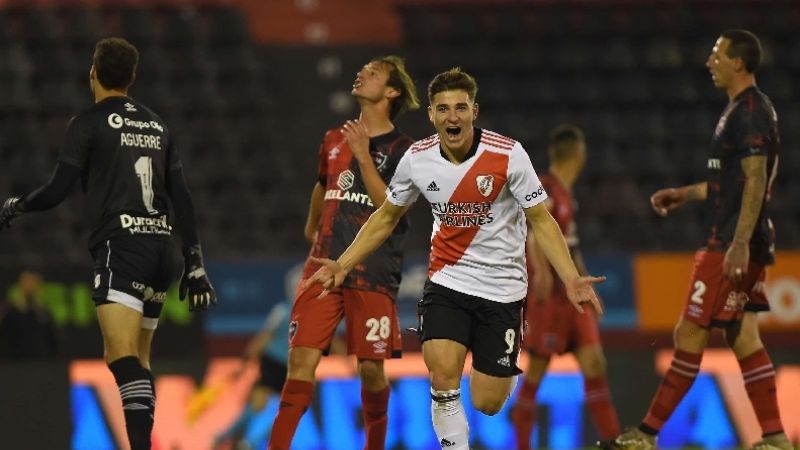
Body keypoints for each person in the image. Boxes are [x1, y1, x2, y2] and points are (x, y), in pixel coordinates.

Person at [307, 67, 604, 450]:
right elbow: (386, 217)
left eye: (460, 107)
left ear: (474, 111)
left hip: (503, 290)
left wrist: (570, 277)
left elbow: (540, 220)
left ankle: (496, 368)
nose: (453, 116)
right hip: (447, 281)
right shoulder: (417, 159)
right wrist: (343, 263)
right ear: (431, 114)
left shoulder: (508, 155)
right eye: (443, 108)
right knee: (443, 374)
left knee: (488, 402)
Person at [0, 38, 216, 450]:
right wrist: (195, 261)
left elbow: (57, 190)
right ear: (132, 78)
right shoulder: (157, 124)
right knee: (141, 360)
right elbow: (182, 197)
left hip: (123, 246)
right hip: (163, 250)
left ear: (93, 73)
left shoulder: (89, 122)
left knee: (120, 357)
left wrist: (15, 205)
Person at [613, 30, 790, 450]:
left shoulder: (748, 111)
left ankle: (647, 433)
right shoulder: (743, 110)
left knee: (689, 332)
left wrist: (739, 243)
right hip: (746, 237)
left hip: (730, 241)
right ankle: (776, 436)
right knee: (743, 337)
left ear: (739, 63)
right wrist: (685, 193)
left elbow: (755, 180)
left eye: (717, 55)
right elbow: (729, 183)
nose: (710, 62)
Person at [267, 56, 420, 450]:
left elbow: (391, 209)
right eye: (362, 70)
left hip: (372, 270)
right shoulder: (334, 137)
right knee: (300, 364)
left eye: (372, 73)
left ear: (391, 91)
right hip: (322, 266)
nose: (361, 74)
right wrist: (312, 224)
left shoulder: (406, 152)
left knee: (370, 370)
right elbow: (323, 183)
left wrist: (365, 155)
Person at [511, 125, 620, 449]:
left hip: (572, 293)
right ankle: (522, 443)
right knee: (537, 369)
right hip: (551, 296)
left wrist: (587, 284)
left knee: (594, 363)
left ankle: (613, 442)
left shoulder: (567, 194)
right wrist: (542, 272)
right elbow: (534, 231)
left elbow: (571, 247)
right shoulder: (546, 187)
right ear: (580, 155)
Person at [214, 298, 291, 450]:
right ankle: (246, 442)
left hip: (276, 361)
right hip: (284, 364)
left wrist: (245, 363)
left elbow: (264, 336)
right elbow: (266, 336)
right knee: (292, 408)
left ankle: (226, 437)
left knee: (261, 405)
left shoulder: (282, 310)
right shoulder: (296, 311)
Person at [0, 271, 58, 359]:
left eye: (33, 281)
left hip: (39, 361)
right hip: (13, 361)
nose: (30, 285)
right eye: (27, 281)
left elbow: (52, 340)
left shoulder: (44, 312)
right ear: (21, 284)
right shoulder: (9, 311)